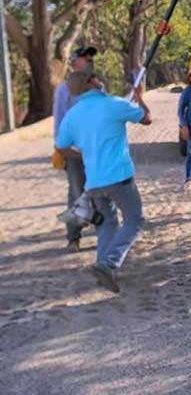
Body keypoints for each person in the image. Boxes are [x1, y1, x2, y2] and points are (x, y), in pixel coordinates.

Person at [54, 72, 152, 293]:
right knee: (135, 220)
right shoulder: (112, 103)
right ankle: (108, 264)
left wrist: (86, 155)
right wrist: (140, 97)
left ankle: (103, 268)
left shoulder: (72, 114)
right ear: (91, 83)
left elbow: (60, 146)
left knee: (107, 224)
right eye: (96, 77)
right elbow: (146, 118)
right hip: (119, 177)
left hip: (95, 181)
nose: (100, 79)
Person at [52, 46, 98, 253]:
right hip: (74, 150)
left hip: (97, 149)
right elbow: (59, 119)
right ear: (74, 62)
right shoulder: (64, 89)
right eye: (84, 58)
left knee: (100, 191)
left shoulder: (98, 86)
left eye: (90, 58)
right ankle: (73, 238)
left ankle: (104, 233)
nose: (89, 60)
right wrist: (61, 148)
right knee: (77, 192)